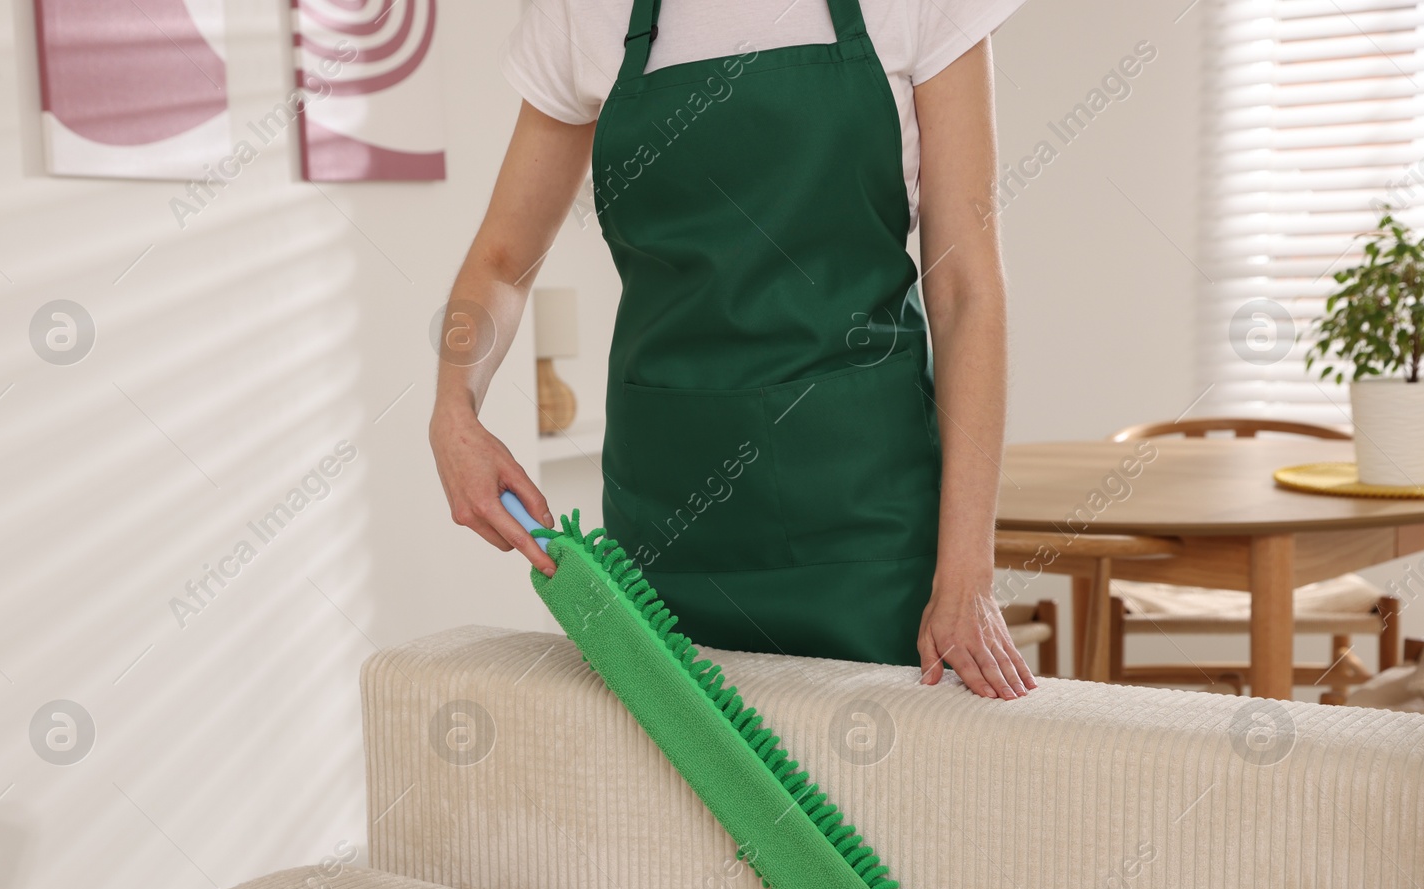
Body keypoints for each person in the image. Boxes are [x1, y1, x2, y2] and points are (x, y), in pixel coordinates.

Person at [429, 0, 1038, 700]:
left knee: (874, 796)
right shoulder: (582, 11)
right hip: (663, 528)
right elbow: (503, 259)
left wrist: (967, 575)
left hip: (861, 524)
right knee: (665, 794)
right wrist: (453, 407)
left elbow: (966, 290)